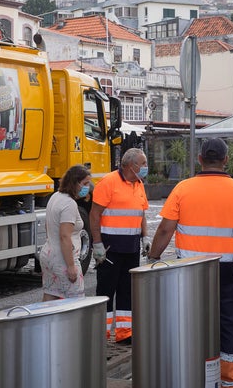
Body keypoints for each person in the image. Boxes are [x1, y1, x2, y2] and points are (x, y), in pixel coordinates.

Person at [148, 138, 233, 388]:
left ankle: (191, 376)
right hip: (227, 273)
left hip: (189, 273)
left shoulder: (183, 188)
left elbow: (165, 230)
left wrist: (153, 259)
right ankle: (229, 381)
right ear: (226, 160)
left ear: (200, 159)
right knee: (229, 324)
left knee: (188, 322)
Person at [90, 148, 149, 345]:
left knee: (127, 291)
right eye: (143, 164)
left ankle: (125, 333)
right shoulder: (108, 182)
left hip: (131, 247)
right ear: (131, 165)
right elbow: (95, 214)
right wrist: (97, 243)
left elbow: (141, 213)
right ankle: (101, 333)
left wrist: (145, 237)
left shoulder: (139, 184)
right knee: (106, 290)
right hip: (109, 248)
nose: (145, 167)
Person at [39, 164, 92, 301]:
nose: (88, 187)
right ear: (75, 183)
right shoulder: (69, 204)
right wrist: (70, 266)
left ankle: (46, 323)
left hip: (49, 254)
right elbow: (64, 236)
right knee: (75, 300)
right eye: (85, 183)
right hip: (63, 259)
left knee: (51, 294)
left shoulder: (55, 196)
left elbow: (48, 226)